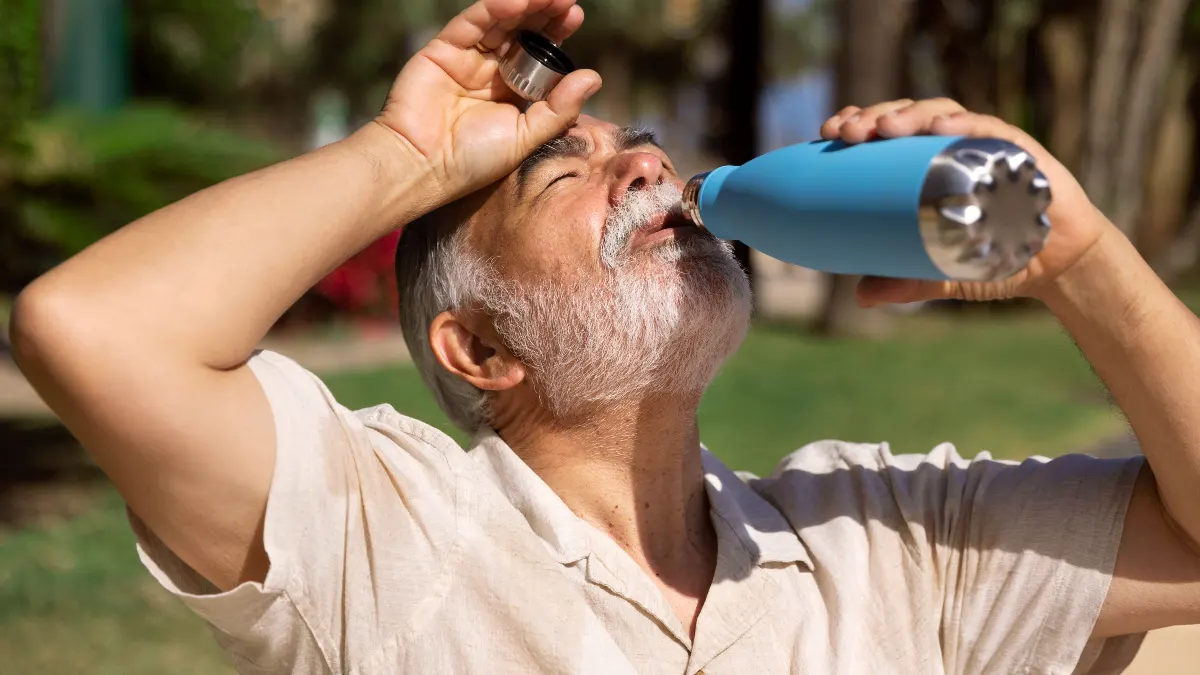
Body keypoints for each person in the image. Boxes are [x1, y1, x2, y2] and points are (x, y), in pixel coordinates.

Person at [11, 1, 1200, 673]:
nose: (649, 164)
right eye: (561, 173)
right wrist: (410, 158)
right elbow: (93, 330)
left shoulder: (891, 542)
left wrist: (1079, 261)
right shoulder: (380, 537)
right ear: (479, 350)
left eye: (639, 147)